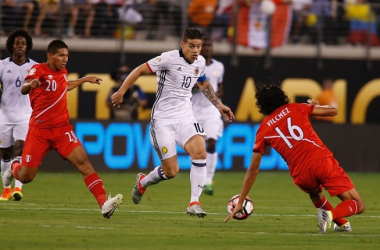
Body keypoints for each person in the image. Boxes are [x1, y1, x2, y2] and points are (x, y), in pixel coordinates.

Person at [111, 28, 234, 217]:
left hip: (185, 117)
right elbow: (139, 70)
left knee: (200, 151)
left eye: (199, 46)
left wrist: (219, 105)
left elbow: (203, 83)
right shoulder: (168, 59)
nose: (196, 50)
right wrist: (121, 92)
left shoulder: (200, 62)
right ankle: (143, 182)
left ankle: (194, 202)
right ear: (182, 44)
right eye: (191, 46)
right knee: (171, 171)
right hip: (162, 121)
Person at [2, 40, 123, 219]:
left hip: (61, 129)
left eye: (67, 55)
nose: (65, 59)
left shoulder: (62, 72)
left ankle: (103, 204)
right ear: (50, 56)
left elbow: (64, 86)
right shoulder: (39, 70)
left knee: (84, 164)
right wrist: (31, 85)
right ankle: (14, 165)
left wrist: (84, 80)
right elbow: (24, 88)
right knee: (26, 177)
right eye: (61, 55)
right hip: (39, 131)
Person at [224, 83, 365, 233]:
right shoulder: (297, 107)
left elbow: (253, 169)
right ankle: (330, 215)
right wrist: (315, 106)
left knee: (315, 194)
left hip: (301, 175)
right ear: (282, 97)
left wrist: (241, 200)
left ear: (262, 106)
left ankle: (342, 224)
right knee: (358, 204)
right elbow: (333, 111)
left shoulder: (263, 129)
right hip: (321, 161)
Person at [0, 29, 38, 201]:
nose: (20, 46)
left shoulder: (35, 67)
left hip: (25, 115)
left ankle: (17, 188)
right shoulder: (2, 65)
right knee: (6, 154)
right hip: (5, 116)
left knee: (20, 150)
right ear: (11, 46)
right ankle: (6, 189)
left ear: (27, 46)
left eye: (23, 44)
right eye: (17, 43)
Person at [191, 37, 224, 195]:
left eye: (210, 45)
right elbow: (186, 88)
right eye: (206, 45)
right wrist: (198, 88)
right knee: (197, 148)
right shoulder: (192, 65)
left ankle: (208, 181)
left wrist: (215, 93)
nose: (208, 48)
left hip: (211, 111)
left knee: (211, 143)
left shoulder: (219, 66)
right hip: (194, 111)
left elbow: (220, 88)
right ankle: (198, 180)